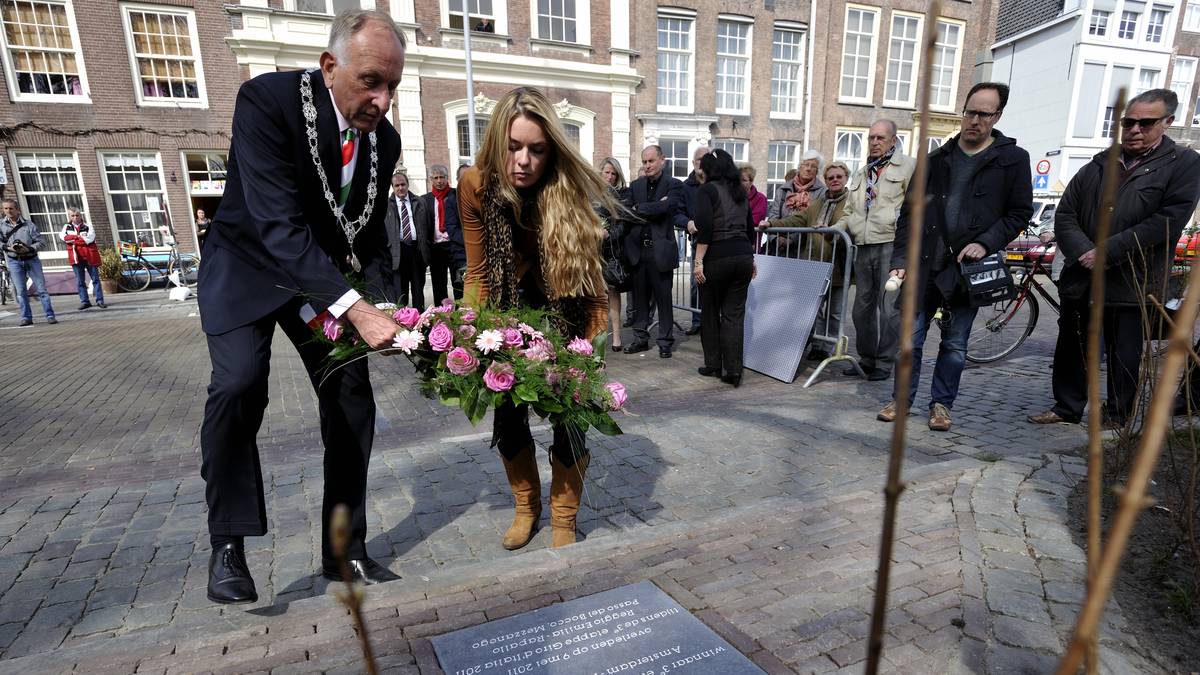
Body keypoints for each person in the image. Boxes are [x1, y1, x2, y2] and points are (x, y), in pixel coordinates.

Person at [196, 9, 405, 604]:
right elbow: (277, 226)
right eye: (370, 81)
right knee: (239, 384)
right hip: (248, 265)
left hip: (316, 283)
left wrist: (395, 311)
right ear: (329, 65)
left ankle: (344, 550)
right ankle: (228, 546)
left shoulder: (382, 141)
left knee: (351, 394)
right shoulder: (267, 101)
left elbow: (364, 239)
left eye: (392, 85)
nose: (382, 100)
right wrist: (358, 310)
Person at [458, 87, 616, 549]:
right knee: (507, 413)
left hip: (566, 304)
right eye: (513, 147)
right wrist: (471, 336)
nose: (523, 160)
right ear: (496, 145)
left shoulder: (567, 189)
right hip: (507, 307)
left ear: (551, 152)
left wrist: (596, 344)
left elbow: (591, 284)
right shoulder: (475, 186)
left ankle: (564, 519)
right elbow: (479, 270)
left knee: (570, 414)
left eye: (536, 149)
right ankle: (526, 508)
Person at [1029, 89, 1200, 428]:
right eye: (1128, 122)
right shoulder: (1100, 163)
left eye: (1145, 123)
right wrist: (1083, 252)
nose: (1135, 129)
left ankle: (1117, 415)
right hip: (1084, 276)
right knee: (1072, 347)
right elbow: (1066, 214)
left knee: (1125, 353)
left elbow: (1167, 219)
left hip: (1133, 280)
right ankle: (1066, 407)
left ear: (1167, 122)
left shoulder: (1182, 164)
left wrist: (1109, 252)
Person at [879, 82, 1033, 431]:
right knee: (909, 340)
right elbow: (910, 214)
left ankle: (941, 405)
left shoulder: (1012, 160)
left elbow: (1019, 212)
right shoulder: (936, 159)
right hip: (923, 266)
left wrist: (986, 242)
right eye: (970, 112)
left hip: (967, 268)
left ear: (998, 116)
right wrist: (900, 259)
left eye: (984, 114)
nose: (975, 120)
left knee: (955, 343)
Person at [833, 119, 916, 381]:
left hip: (891, 244)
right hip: (863, 245)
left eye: (881, 138)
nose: (875, 142)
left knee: (890, 307)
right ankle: (867, 358)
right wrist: (835, 228)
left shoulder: (908, 167)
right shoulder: (862, 172)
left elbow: (916, 208)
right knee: (861, 308)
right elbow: (849, 211)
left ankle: (884, 361)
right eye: (871, 138)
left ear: (894, 140)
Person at [761, 162, 854, 360]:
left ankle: (828, 349)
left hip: (838, 265)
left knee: (835, 311)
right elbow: (797, 220)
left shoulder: (852, 201)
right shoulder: (819, 202)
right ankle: (817, 346)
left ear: (846, 178)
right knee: (815, 309)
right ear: (826, 180)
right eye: (830, 177)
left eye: (839, 176)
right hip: (815, 264)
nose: (835, 180)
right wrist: (771, 223)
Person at [694, 150, 756, 387]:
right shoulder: (740, 192)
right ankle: (733, 371)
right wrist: (751, 260)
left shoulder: (707, 190)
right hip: (742, 256)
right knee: (734, 315)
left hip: (717, 257)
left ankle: (712, 364)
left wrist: (698, 262)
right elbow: (750, 231)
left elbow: (706, 229)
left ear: (709, 170)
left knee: (710, 312)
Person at [624, 146, 684, 358]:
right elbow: (628, 212)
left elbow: (669, 208)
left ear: (662, 160)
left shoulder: (674, 185)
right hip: (638, 251)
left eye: (651, 161)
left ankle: (665, 341)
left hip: (660, 252)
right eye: (644, 162)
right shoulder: (636, 185)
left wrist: (644, 208)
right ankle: (640, 339)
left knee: (663, 299)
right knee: (639, 299)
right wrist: (655, 206)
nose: (647, 166)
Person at [1, 199, 57, 326]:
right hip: (14, 261)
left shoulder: (29, 225)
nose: (8, 211)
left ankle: (50, 315)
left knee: (41, 289)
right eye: (5, 209)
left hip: (31, 259)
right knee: (20, 292)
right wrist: (7, 248)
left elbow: (41, 242)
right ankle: (26, 317)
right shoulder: (1, 226)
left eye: (11, 208)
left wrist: (30, 248)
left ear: (17, 209)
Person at [384, 170, 432, 309]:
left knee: (418, 291)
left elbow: (428, 226)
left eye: (403, 184)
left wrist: (425, 245)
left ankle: (421, 323)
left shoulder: (420, 202)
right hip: (397, 253)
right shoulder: (386, 205)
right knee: (400, 292)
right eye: (397, 185)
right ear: (392, 187)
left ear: (408, 184)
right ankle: (403, 323)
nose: (400, 188)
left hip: (417, 251)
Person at [598, 156, 631, 352]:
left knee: (613, 292)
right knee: (593, 294)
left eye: (613, 174)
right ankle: (596, 334)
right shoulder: (588, 193)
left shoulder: (619, 196)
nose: (609, 177)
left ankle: (616, 337)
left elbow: (623, 225)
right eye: (607, 172)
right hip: (589, 250)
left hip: (610, 251)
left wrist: (609, 234)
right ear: (600, 172)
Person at [765, 150, 826, 256]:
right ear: (799, 167)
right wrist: (775, 238)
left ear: (817, 171)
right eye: (806, 165)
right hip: (778, 250)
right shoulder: (783, 190)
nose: (808, 169)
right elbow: (773, 217)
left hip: (804, 251)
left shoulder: (822, 193)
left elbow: (814, 222)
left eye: (813, 167)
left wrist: (792, 240)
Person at [423, 164, 467, 304]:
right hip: (436, 249)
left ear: (447, 178)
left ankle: (462, 316)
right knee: (439, 285)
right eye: (436, 178)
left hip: (455, 246)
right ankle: (442, 317)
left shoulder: (456, 195)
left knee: (459, 284)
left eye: (442, 177)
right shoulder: (425, 200)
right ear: (431, 180)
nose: (439, 181)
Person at [680, 146, 710, 335]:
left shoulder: (719, 183)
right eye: (700, 159)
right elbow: (677, 212)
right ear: (693, 162)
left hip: (717, 242)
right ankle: (697, 320)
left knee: (714, 282)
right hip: (697, 241)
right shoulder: (686, 186)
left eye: (707, 158)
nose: (703, 162)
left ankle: (711, 321)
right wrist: (688, 222)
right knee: (695, 283)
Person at [60, 208, 106, 310]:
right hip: (76, 257)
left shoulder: (88, 226)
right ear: (69, 217)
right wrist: (79, 238)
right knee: (80, 281)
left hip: (90, 256)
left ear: (81, 215)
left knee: (95, 279)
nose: (75, 218)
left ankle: (100, 300)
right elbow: (63, 237)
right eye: (72, 216)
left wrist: (74, 239)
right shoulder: (66, 227)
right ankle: (85, 301)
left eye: (77, 215)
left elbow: (90, 239)